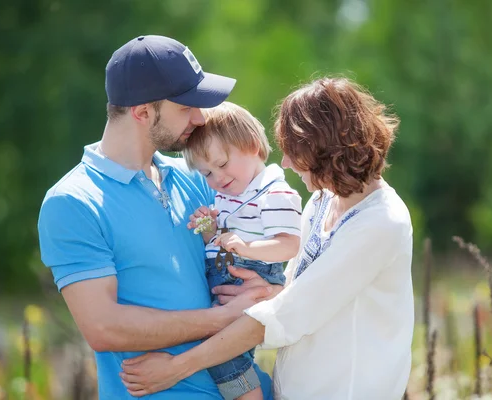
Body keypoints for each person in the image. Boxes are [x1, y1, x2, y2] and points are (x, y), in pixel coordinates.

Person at [118, 77, 415, 399]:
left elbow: (289, 314)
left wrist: (177, 367)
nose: (284, 163)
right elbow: (302, 291)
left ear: (327, 148)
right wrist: (271, 291)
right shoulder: (323, 200)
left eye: (295, 152)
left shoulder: (380, 223)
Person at [37, 35, 276, 399]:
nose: (199, 118)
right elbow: (105, 327)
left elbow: (272, 280)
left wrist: (270, 293)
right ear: (143, 111)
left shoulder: (200, 177)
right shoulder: (73, 202)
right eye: (185, 107)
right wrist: (222, 317)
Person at [182, 102, 302, 399]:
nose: (217, 179)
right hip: (228, 278)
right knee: (218, 347)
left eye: (221, 165)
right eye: (207, 173)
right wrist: (211, 231)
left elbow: (289, 244)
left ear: (251, 145)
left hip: (251, 275)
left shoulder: (274, 192)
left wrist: (248, 247)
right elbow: (228, 239)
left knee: (222, 351)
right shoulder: (229, 196)